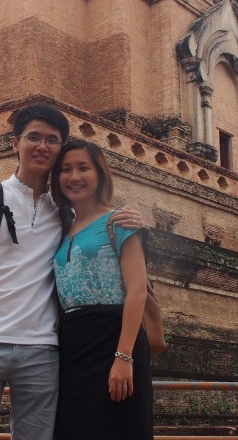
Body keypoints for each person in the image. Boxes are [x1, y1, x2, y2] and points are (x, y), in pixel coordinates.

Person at [0, 103, 144, 440]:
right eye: (33, 137)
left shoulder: (64, 213)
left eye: (52, 140)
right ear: (15, 143)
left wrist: (135, 219)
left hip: (42, 350)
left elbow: (102, 232)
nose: (42, 146)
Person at [50, 140, 154, 440]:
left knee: (120, 428)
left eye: (83, 168)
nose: (74, 177)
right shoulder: (61, 229)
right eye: (66, 169)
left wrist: (124, 357)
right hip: (73, 342)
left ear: (100, 174)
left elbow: (137, 291)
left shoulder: (119, 221)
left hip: (114, 336)